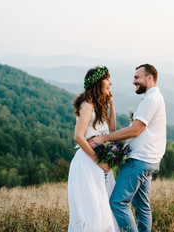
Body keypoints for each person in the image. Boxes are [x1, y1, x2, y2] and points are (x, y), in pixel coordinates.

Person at [89, 64, 166, 232]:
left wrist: (104, 138)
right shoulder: (155, 98)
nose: (134, 81)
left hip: (139, 160)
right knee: (141, 206)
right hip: (150, 160)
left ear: (149, 78)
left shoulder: (151, 99)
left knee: (117, 202)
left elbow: (135, 130)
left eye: (137, 77)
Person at [67, 66, 119, 232]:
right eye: (107, 79)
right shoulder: (87, 105)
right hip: (88, 163)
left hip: (100, 162)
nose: (110, 83)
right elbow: (78, 136)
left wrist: (111, 102)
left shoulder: (99, 104)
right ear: (98, 82)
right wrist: (98, 161)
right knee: (94, 210)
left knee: (105, 205)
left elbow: (112, 126)